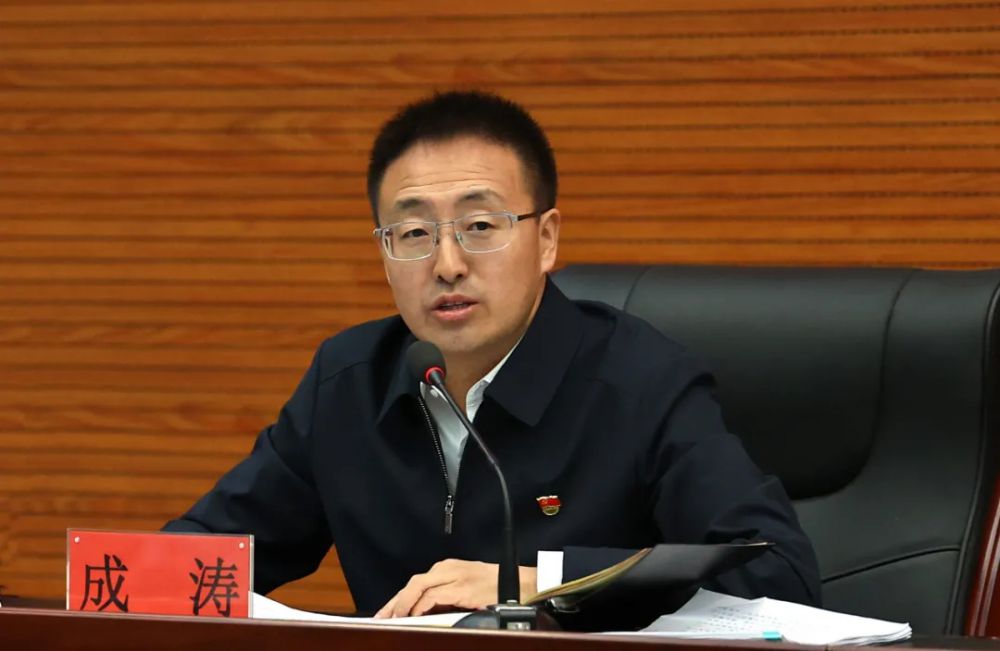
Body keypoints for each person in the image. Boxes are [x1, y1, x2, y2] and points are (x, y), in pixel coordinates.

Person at [164, 90, 821, 619]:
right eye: (413, 233)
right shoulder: (349, 382)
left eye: (480, 226)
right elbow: (200, 560)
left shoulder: (640, 382)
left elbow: (777, 575)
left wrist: (541, 582)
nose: (447, 264)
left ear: (546, 239)